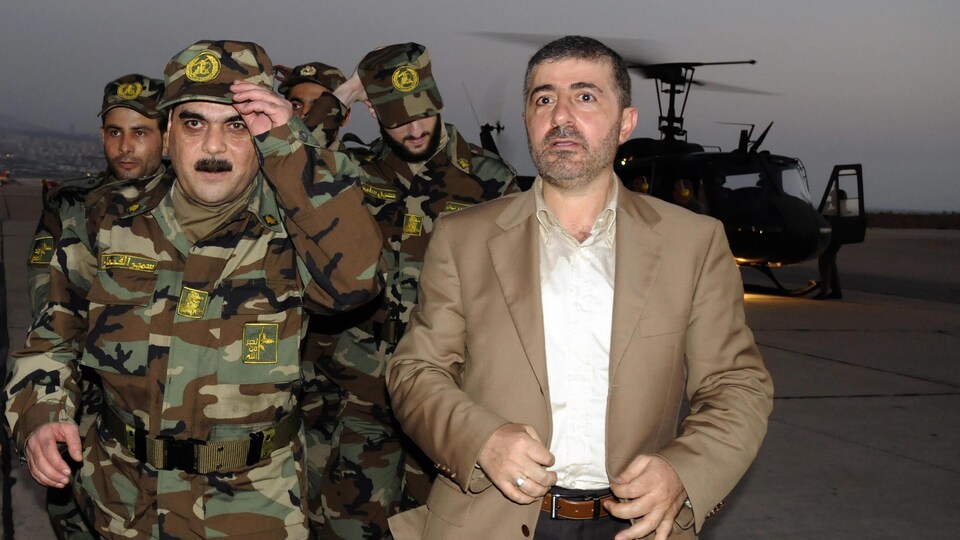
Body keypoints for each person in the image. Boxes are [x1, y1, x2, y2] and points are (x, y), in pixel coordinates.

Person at [386, 35, 774, 540]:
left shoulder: (692, 243)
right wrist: (481, 440)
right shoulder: (465, 238)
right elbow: (415, 371)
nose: (560, 115)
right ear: (528, 119)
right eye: (543, 99)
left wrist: (684, 470)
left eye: (585, 96)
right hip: (492, 519)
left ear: (626, 124)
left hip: (635, 525)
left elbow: (736, 385)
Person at [4, 39, 384, 540]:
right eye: (193, 123)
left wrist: (292, 147)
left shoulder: (296, 224)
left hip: (253, 507)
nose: (213, 147)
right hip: (123, 501)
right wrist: (40, 415)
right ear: (165, 137)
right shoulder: (105, 220)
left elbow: (354, 283)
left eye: (238, 124)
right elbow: (51, 338)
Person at [303, 42, 516, 539]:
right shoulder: (354, 172)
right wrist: (343, 97)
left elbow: (517, 293)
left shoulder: (489, 180)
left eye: (423, 115)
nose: (415, 130)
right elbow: (290, 166)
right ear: (374, 110)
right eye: (398, 120)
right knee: (347, 527)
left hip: (447, 395)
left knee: (440, 528)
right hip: (360, 395)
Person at [24, 73, 166, 540]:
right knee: (70, 509)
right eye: (114, 132)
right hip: (83, 390)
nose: (125, 146)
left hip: (157, 404)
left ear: (165, 134)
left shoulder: (192, 205)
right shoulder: (74, 204)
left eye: (140, 132)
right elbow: (48, 296)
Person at [815, 188, 847, 300]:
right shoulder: (841, 210)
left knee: (825, 264)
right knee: (831, 263)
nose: (831, 199)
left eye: (833, 197)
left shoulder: (835, 211)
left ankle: (824, 292)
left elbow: (828, 224)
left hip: (831, 240)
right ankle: (836, 290)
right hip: (835, 240)